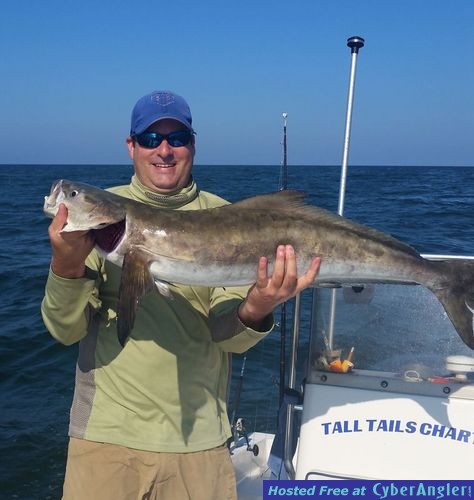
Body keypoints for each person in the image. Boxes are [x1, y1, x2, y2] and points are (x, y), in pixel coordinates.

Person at [42, 90, 320, 500]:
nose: (165, 151)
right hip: (106, 439)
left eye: (177, 138)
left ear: (193, 144)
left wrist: (259, 305)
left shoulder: (229, 218)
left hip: (199, 444)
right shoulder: (95, 233)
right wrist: (66, 266)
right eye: (151, 139)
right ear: (131, 146)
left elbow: (229, 335)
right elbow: (65, 331)